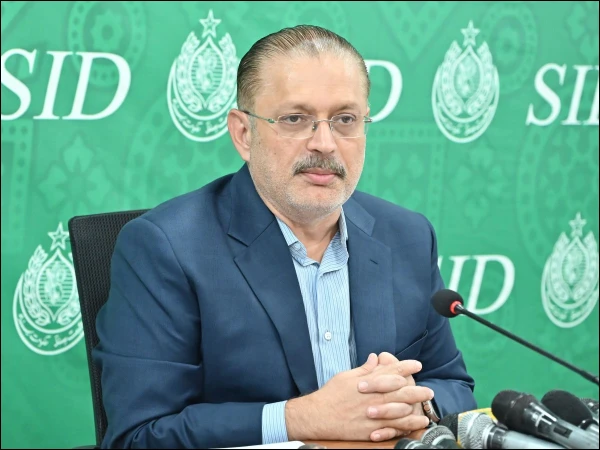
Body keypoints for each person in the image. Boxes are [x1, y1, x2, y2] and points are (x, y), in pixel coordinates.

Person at [93, 25, 477, 449]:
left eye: (345, 119)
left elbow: (452, 385)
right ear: (243, 134)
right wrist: (301, 418)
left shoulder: (407, 236)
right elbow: (140, 436)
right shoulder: (166, 247)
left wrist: (415, 404)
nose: (325, 143)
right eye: (295, 119)